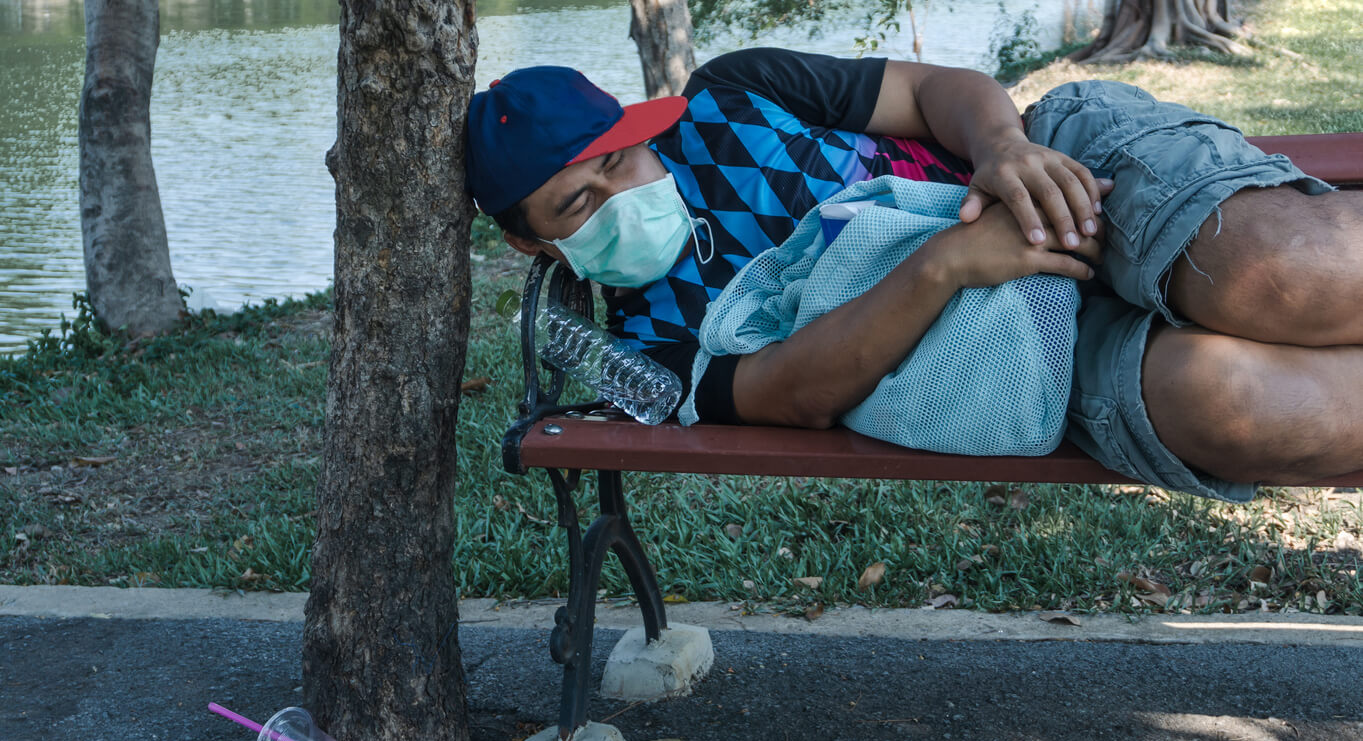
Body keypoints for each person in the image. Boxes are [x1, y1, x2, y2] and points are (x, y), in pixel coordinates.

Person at [466, 47, 1363, 503]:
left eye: (616, 161)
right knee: (1247, 405)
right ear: (530, 245)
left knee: (1277, 270)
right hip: (1004, 357)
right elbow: (791, 391)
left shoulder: (729, 95)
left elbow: (937, 90)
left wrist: (1004, 150)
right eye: (576, 204)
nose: (618, 194)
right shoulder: (641, 342)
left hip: (1044, 174)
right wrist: (945, 267)